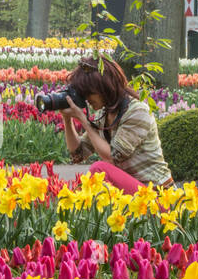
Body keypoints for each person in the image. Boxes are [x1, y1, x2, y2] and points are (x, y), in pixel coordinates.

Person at [59, 55, 172, 193]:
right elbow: (77, 155)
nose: (86, 99)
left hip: (158, 195)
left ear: (105, 87)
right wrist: (67, 118)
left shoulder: (137, 112)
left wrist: (83, 120)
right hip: (137, 192)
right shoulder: (104, 115)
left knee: (99, 170)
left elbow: (112, 157)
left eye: (88, 93)